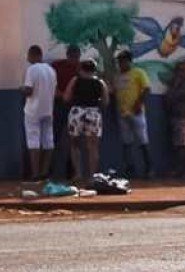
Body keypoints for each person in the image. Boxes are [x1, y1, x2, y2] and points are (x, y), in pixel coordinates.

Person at [63, 58, 108, 182]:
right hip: (93, 113)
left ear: (81, 69)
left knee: (74, 144)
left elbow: (66, 97)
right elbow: (106, 101)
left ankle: (78, 173)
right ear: (94, 70)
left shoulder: (75, 80)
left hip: (77, 112)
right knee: (93, 146)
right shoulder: (100, 83)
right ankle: (92, 176)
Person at [112, 49, 152, 178]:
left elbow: (146, 89)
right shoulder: (117, 76)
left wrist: (139, 104)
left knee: (142, 140)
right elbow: (114, 92)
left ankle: (149, 168)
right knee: (126, 142)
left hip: (136, 112)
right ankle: (130, 169)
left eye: (123, 61)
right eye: (119, 62)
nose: (121, 64)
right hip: (122, 112)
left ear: (129, 61)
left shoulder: (138, 73)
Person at [21, 46, 58, 182]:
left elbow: (29, 91)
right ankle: (45, 172)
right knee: (48, 140)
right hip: (48, 109)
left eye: (28, 55)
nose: (27, 58)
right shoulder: (51, 70)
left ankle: (35, 173)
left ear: (33, 55)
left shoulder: (32, 70)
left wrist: (22, 89)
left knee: (33, 140)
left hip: (33, 110)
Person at [51, 44, 82, 180]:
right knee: (56, 137)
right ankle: (53, 171)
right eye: (72, 57)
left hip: (75, 107)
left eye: (76, 58)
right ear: (68, 55)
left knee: (73, 140)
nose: (74, 60)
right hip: (60, 104)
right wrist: (62, 94)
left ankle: (71, 171)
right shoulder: (57, 66)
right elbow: (52, 85)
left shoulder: (81, 69)